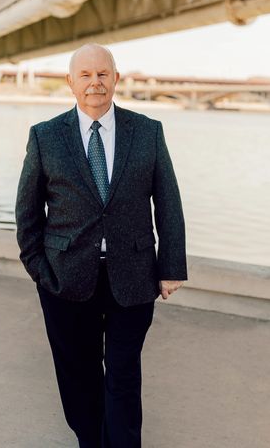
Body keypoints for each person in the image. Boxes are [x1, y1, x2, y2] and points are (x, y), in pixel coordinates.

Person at [15, 43, 187, 448]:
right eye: (86, 75)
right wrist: (41, 271)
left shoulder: (147, 132)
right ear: (70, 83)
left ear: (116, 79)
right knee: (79, 377)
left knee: (124, 377)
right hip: (65, 279)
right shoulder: (44, 137)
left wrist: (171, 266)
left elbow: (168, 201)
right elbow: (27, 212)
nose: (95, 83)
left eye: (103, 74)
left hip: (134, 276)